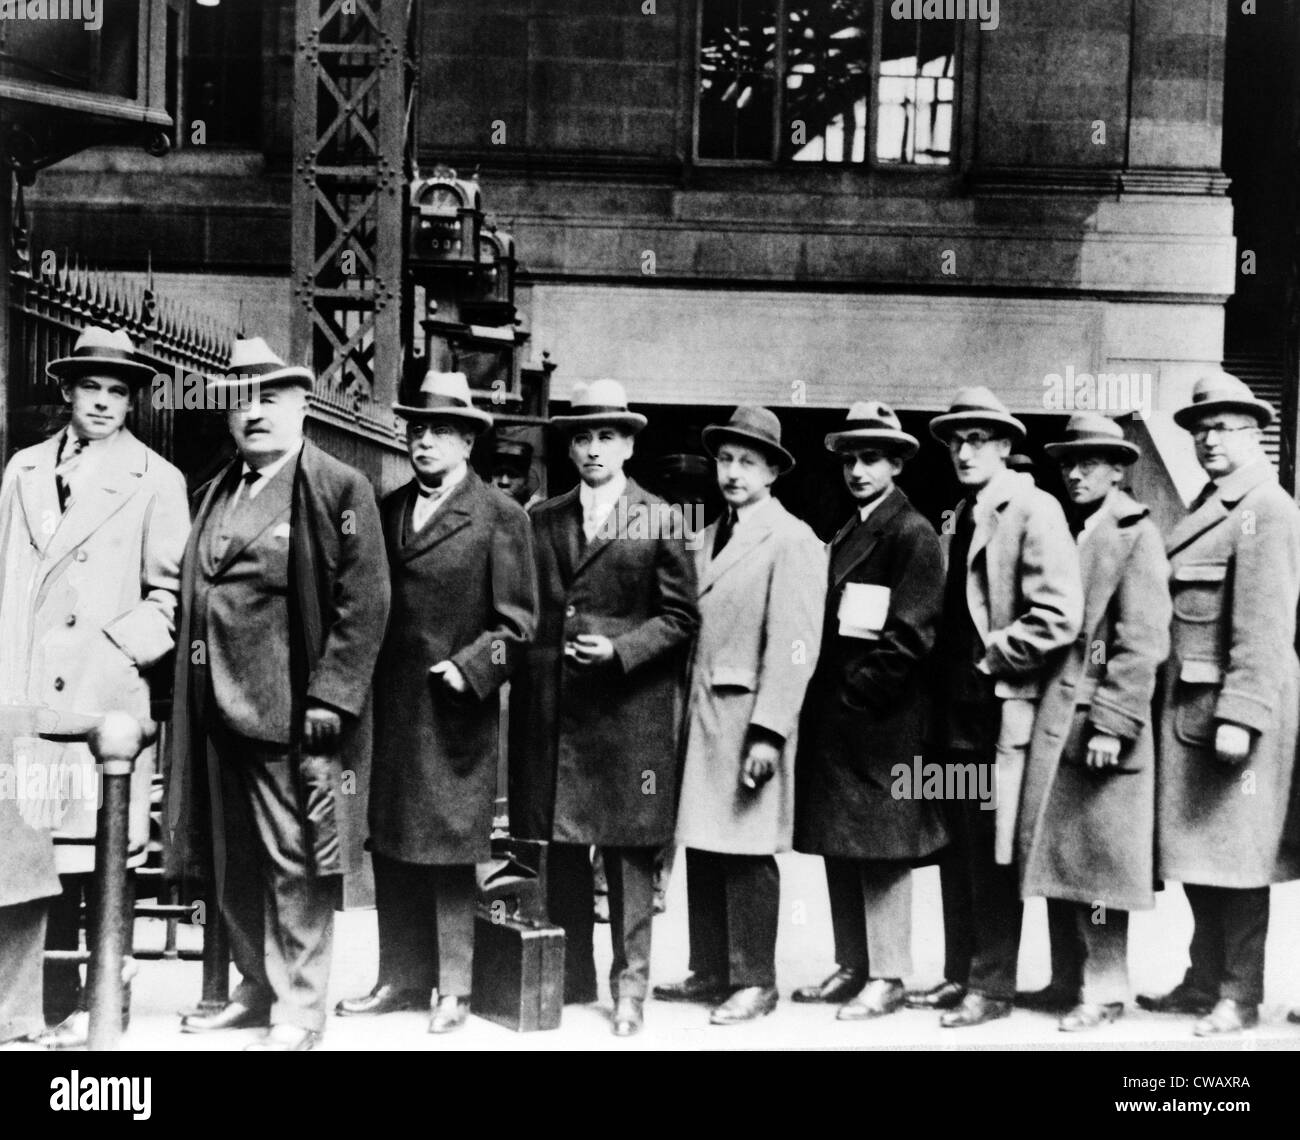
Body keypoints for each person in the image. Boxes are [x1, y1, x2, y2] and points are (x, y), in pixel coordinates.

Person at [165, 336, 390, 1051]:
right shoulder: (217, 490)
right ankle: (256, 986)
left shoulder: (338, 489)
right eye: (240, 401)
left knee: (297, 861)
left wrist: (332, 696)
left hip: (288, 715)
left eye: (269, 397)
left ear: (300, 405)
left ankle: (299, 1005)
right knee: (232, 864)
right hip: (216, 710)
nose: (254, 413)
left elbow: (365, 600)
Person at [0, 325, 189, 1048]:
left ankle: (99, 999)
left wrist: (110, 649)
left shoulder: (156, 479)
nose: (106, 403)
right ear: (67, 391)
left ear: (133, 401)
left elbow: (169, 599)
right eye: (93, 388)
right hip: (26, 695)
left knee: (97, 854)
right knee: (27, 850)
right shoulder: (23, 470)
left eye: (119, 392)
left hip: (100, 697)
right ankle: (33, 1003)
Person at [337, 371, 537, 1034]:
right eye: (417, 429)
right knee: (391, 840)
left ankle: (454, 986)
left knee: (450, 846)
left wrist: (473, 668)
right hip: (390, 709)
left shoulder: (500, 518)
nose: (424, 441)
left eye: (440, 431)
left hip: (455, 711)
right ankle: (401, 976)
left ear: (467, 443)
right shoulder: (387, 509)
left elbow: (520, 627)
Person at [508, 379, 698, 1037]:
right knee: (560, 847)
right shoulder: (542, 517)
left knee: (629, 856)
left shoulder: (660, 517)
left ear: (628, 444)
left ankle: (630, 991)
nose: (593, 449)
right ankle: (571, 978)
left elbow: (681, 618)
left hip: (628, 711)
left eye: (606, 437)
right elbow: (524, 609)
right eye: (583, 437)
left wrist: (619, 651)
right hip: (555, 708)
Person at [906, 386, 1082, 1028]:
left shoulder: (1033, 508)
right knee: (957, 844)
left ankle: (993, 985)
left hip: (994, 708)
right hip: (951, 713)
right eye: (955, 439)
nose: (963, 449)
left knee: (990, 848)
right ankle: (960, 973)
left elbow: (1061, 614)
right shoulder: (962, 511)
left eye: (978, 438)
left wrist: (991, 659)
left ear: (1007, 446)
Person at [1137, 371, 1300, 1036]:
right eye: (1200, 429)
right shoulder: (1215, 504)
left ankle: (1239, 993)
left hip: (1231, 715)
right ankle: (1203, 980)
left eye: (1224, 427)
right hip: (1193, 716)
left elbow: (1265, 627)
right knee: (1202, 856)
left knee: (1238, 859)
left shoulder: (1266, 508)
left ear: (1255, 431)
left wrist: (1243, 714)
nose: (1208, 439)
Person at [656, 406, 825, 1025]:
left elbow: (796, 645)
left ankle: (756, 980)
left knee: (747, 850)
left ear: (773, 472)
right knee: (704, 840)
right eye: (725, 460)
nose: (732, 472)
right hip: (702, 716)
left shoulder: (792, 539)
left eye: (747, 462)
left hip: (746, 717)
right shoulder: (706, 536)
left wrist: (770, 731)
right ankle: (711, 970)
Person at [1017, 412, 1171, 1031]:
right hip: (1064, 720)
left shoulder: (1134, 533)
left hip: (1100, 724)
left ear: (1117, 470)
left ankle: (1105, 990)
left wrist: (1112, 721)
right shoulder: (1081, 533)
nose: (1075, 473)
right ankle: (1065, 979)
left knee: (1102, 867)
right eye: (1067, 464)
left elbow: (1141, 640)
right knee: (1063, 857)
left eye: (1090, 463)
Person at [792, 401, 945, 1020]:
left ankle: (888, 974)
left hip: (882, 721)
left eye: (871, 458)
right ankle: (853, 963)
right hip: (841, 718)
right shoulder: (850, 528)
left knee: (882, 849)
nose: (857, 469)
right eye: (850, 458)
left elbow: (910, 635)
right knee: (842, 841)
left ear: (898, 462)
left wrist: (855, 700)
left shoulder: (912, 533)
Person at [490, 437, 540, 509]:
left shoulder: (537, 508)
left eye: (513, 475)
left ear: (526, 478)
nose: (504, 482)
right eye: (498, 473)